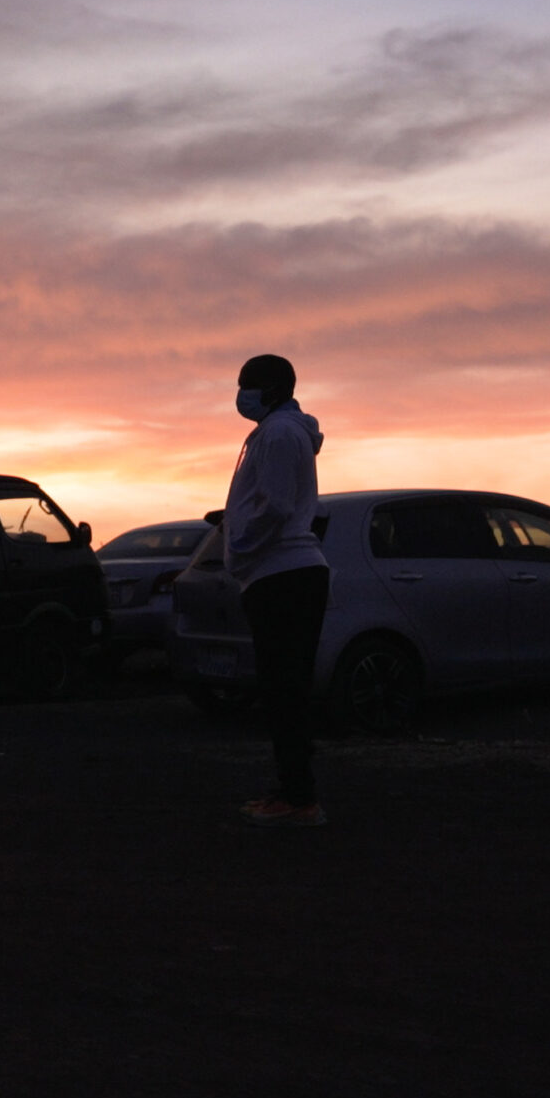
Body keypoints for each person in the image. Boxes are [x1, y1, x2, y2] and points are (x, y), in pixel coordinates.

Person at [224, 353, 331, 828]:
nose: (240, 394)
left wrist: (242, 545)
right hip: (278, 575)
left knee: (284, 689)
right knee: (284, 688)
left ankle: (298, 798)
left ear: (271, 389)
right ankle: (293, 790)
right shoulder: (277, 433)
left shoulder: (280, 434)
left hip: (282, 575)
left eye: (247, 384)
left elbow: (275, 506)